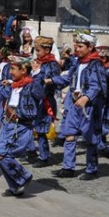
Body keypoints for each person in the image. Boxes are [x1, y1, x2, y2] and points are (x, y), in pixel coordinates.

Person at [47, 33, 106, 180]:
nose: (77, 49)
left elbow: (97, 85)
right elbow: (68, 78)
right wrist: (51, 80)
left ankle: (92, 169)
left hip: (89, 107)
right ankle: (68, 168)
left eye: (80, 46)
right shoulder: (78, 63)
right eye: (76, 46)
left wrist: (86, 97)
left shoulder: (96, 64)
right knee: (69, 134)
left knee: (90, 138)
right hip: (74, 104)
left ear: (90, 47)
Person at [0, 55, 45, 196]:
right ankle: (15, 186)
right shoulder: (14, 85)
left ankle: (23, 176)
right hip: (8, 124)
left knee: (1, 152)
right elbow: (1, 93)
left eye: (13, 69)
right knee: (1, 155)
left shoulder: (31, 85)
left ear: (23, 70)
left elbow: (40, 94)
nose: (10, 72)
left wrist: (36, 74)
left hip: (20, 126)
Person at [30, 36, 61, 168]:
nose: (37, 53)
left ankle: (44, 156)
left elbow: (51, 83)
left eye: (39, 50)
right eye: (36, 50)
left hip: (45, 100)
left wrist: (37, 73)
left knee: (41, 129)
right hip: (34, 99)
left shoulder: (52, 64)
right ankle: (30, 150)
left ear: (47, 49)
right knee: (31, 127)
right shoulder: (37, 61)